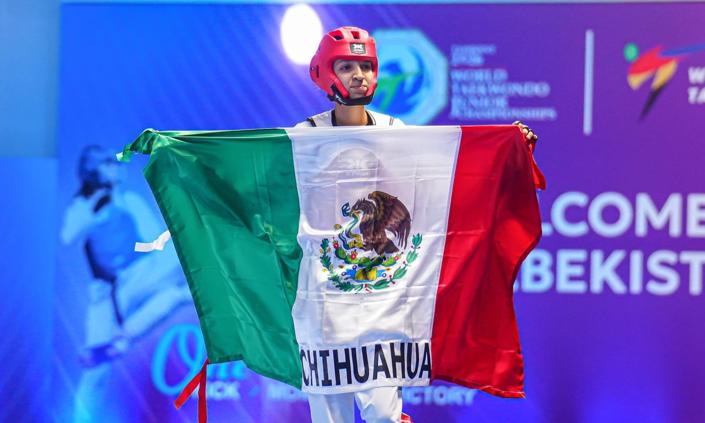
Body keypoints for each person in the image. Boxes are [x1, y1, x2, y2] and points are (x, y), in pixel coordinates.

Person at [296, 26, 539, 423]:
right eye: (346, 66)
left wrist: (506, 144)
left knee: (383, 416)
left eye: (366, 66)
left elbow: (451, 175)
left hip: (383, 300)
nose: (358, 75)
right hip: (323, 301)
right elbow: (257, 186)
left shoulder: (397, 134)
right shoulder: (302, 139)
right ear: (323, 72)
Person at [61, 145, 191, 422]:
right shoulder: (82, 206)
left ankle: (124, 338)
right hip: (105, 293)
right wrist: (97, 208)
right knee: (95, 370)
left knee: (178, 289)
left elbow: (154, 242)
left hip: (139, 275)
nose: (117, 168)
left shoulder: (130, 200)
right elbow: (69, 236)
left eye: (117, 163)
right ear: (93, 171)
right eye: (109, 164)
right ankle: (81, 416)